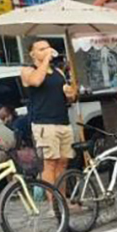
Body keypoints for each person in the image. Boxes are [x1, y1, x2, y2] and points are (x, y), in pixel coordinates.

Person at [20, 40, 76, 186]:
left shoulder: (58, 72)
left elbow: (69, 97)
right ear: (32, 54)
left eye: (48, 48)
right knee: (49, 163)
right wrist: (45, 59)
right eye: (42, 49)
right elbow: (37, 81)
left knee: (63, 162)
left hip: (63, 121)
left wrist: (70, 95)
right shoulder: (28, 70)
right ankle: (52, 200)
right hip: (44, 123)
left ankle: (61, 197)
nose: (47, 50)